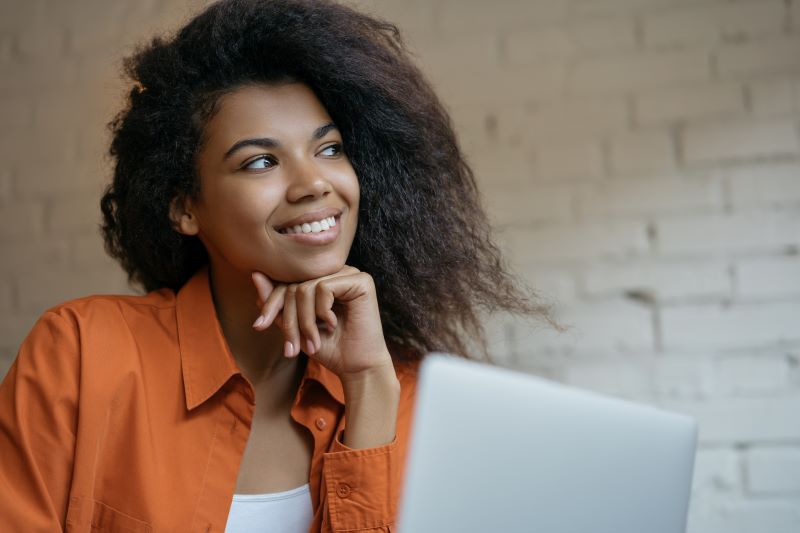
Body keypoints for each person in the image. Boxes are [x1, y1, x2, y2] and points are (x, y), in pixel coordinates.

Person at [0, 0, 555, 531]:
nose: (314, 182)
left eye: (330, 149)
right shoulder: (81, 354)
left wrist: (366, 386)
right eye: (261, 161)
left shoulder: (406, 396)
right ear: (184, 207)